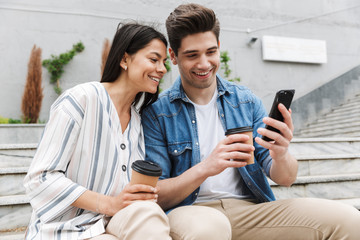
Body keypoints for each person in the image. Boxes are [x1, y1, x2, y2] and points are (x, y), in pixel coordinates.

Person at [141, 3, 360, 240]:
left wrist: (281, 153)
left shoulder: (245, 102)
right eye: (192, 55)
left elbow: (286, 178)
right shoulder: (157, 112)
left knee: (348, 219)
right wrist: (206, 167)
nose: (204, 64)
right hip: (190, 213)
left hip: (250, 210)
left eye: (211, 52)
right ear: (173, 56)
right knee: (211, 228)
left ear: (219, 48)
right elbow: (155, 194)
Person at [23, 22, 172, 240]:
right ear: (124, 59)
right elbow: (41, 177)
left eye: (164, 62)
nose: (162, 69)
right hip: (64, 229)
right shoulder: (81, 100)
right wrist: (108, 203)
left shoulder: (138, 121)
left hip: (110, 223)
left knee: (149, 215)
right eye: (154, 59)